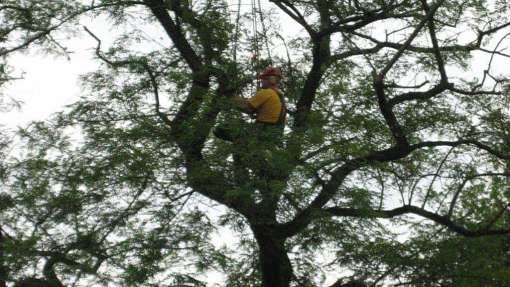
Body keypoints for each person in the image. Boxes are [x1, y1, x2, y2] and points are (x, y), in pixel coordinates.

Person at [214, 66, 286, 147]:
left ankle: (242, 145)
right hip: (273, 135)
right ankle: (243, 146)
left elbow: (247, 108)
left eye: (264, 78)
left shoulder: (267, 92)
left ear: (272, 79)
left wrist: (231, 97)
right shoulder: (279, 96)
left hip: (262, 131)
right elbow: (253, 106)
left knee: (221, 128)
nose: (262, 81)